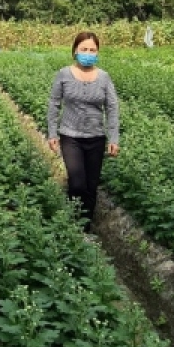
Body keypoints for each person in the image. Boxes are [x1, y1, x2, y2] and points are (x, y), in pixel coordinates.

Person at [47, 31, 120, 228]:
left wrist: (114, 138)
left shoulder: (104, 78)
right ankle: (74, 223)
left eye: (92, 50)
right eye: (84, 49)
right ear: (75, 51)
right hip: (70, 136)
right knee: (77, 183)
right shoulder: (64, 74)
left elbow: (112, 107)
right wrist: (52, 133)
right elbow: (54, 103)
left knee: (91, 186)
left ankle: (85, 228)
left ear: (97, 52)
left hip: (96, 137)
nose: (88, 53)